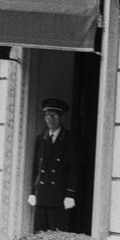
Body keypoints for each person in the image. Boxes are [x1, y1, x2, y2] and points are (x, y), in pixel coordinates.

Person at [28, 98, 81, 232]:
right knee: (39, 234)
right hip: (42, 195)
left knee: (57, 234)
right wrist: (33, 192)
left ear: (62, 117)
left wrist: (71, 194)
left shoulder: (70, 139)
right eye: (48, 115)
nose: (51, 118)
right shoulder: (41, 138)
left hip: (59, 196)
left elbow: (74, 169)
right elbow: (36, 167)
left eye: (54, 115)